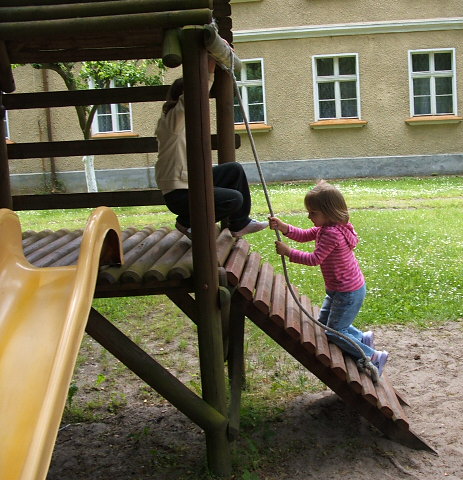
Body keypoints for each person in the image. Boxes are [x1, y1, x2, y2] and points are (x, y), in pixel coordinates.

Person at [268, 181, 389, 376]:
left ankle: (372, 355)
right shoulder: (328, 227)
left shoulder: (332, 234)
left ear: (329, 212)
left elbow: (314, 259)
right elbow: (304, 235)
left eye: (313, 212)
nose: (309, 216)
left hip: (347, 292)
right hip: (340, 290)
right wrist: (284, 228)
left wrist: (288, 252)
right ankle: (362, 338)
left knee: (333, 331)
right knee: (324, 322)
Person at [155, 56, 267, 239]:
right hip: (179, 194)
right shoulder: (173, 122)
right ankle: (186, 221)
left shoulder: (179, 124)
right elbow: (193, 97)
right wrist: (209, 68)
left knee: (234, 170)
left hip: (189, 183)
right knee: (233, 199)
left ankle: (239, 223)